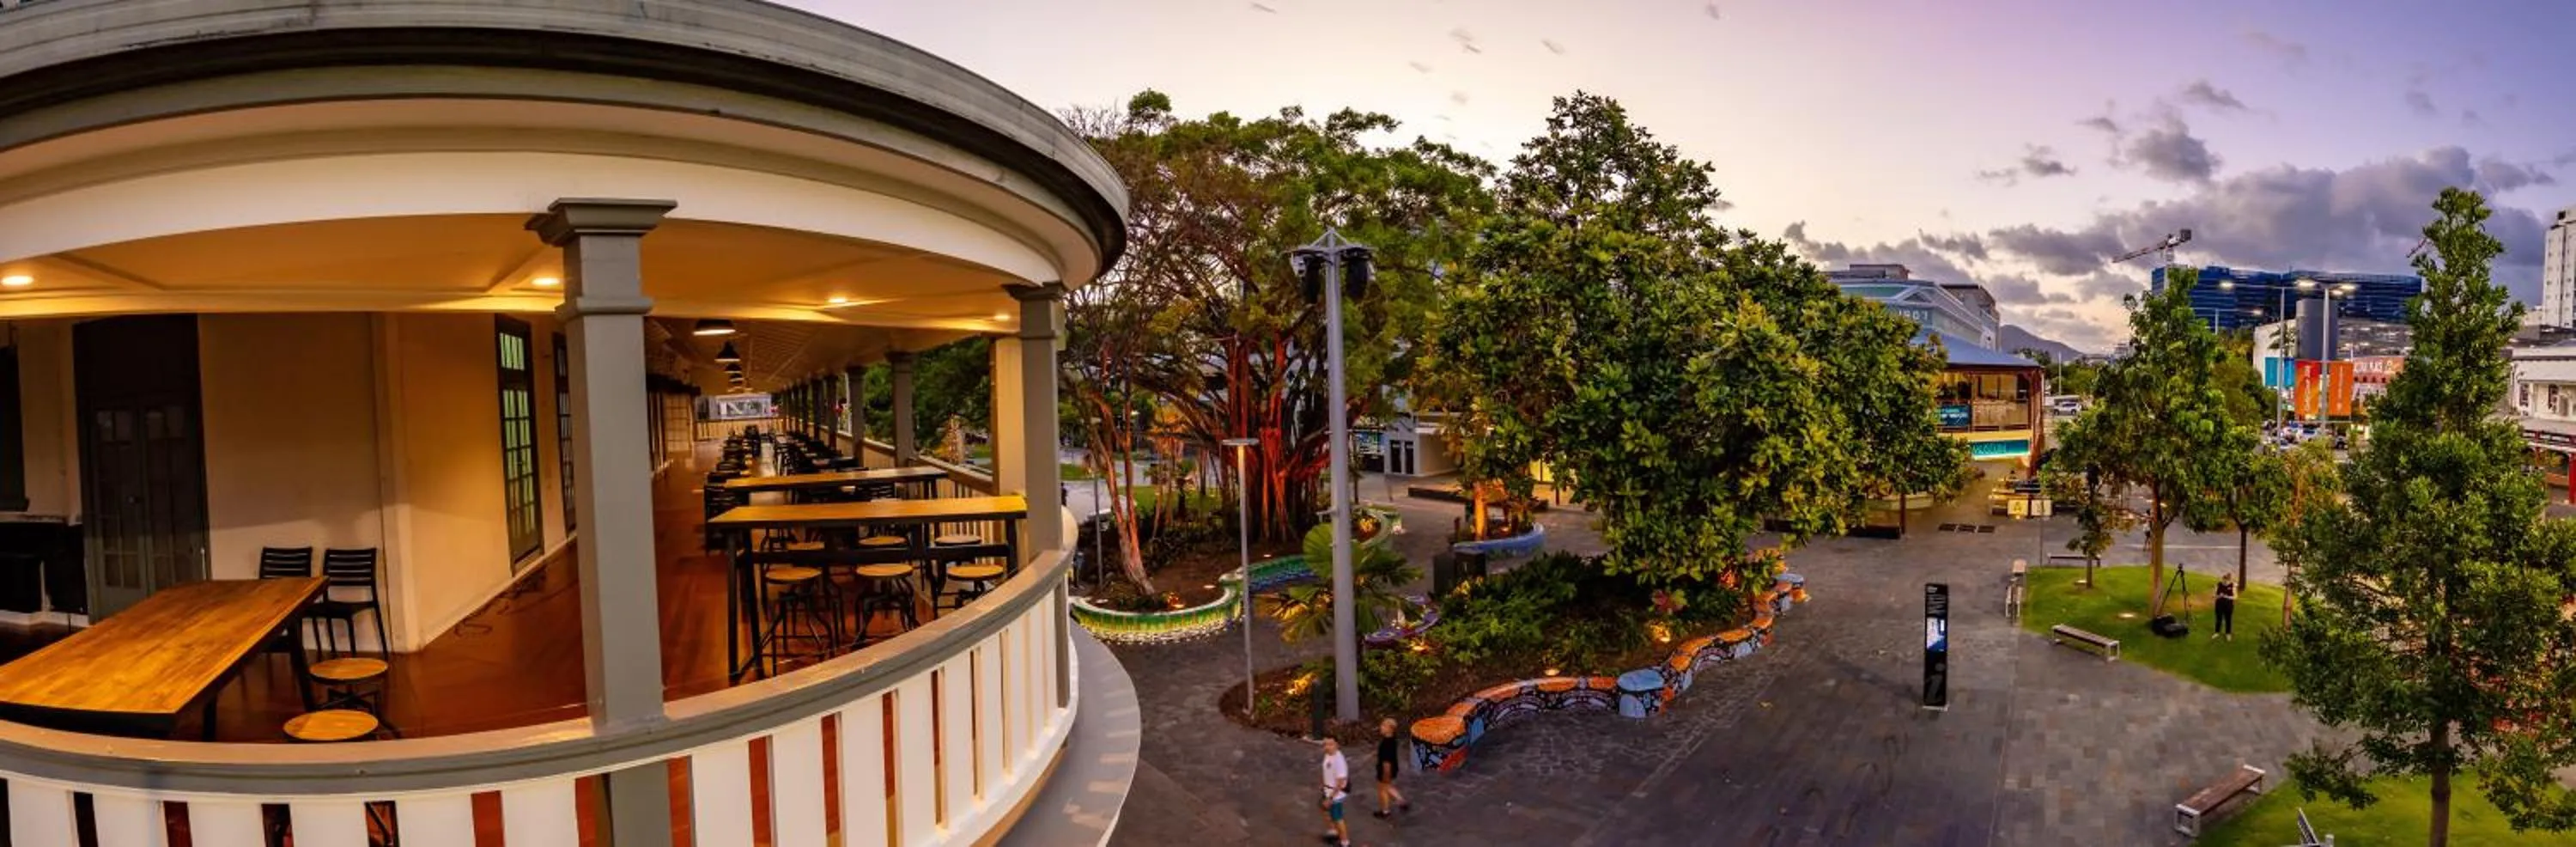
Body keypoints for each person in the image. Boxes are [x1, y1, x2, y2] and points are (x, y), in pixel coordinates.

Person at [1374, 718, 1412, 818]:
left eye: (1383, 726)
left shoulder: (1387, 744)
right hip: (1393, 767)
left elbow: (1387, 761)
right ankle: (1401, 801)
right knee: (1388, 787)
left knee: (1382, 789)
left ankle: (1385, 811)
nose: (1381, 728)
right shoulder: (1392, 740)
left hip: (1386, 769)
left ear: (1390, 729)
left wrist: (1386, 774)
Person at [1319, 738, 1351, 845]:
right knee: (1324, 809)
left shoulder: (1339, 760)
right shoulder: (1328, 754)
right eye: (1326, 744)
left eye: (1331, 744)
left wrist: (1331, 798)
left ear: (1337, 745)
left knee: (1337, 817)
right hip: (1328, 790)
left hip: (1335, 794)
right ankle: (1334, 832)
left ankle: (1345, 842)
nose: (1327, 747)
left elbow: (1340, 783)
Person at [2213, 576, 2238, 641]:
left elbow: (2235, 597)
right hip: (2219, 605)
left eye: (2226, 581)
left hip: (2228, 605)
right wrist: (2219, 596)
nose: (2225, 582)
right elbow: (2214, 596)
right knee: (2219, 619)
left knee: (2228, 619)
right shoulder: (2218, 585)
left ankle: (2228, 633)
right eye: (2224, 580)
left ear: (2229, 581)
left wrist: (2227, 597)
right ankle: (2217, 632)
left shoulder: (2233, 586)